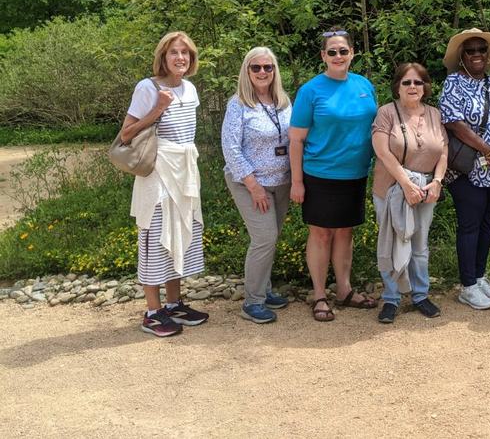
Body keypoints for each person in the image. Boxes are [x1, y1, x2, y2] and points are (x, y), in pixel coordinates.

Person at [120, 31, 209, 337]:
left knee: (181, 233)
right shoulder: (147, 87)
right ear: (163, 56)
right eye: (174, 52)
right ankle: (152, 312)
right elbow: (127, 135)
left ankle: (173, 304)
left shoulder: (190, 89)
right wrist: (157, 108)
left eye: (185, 52)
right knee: (156, 237)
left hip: (184, 172)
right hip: (158, 174)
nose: (180, 57)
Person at [289, 28, 378, 322]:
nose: (338, 56)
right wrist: (297, 182)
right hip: (320, 174)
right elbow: (296, 140)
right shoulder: (311, 90)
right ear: (323, 56)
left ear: (352, 53)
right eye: (332, 52)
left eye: (343, 51)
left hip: (355, 174)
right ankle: (319, 294)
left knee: (345, 232)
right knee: (321, 234)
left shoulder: (364, 85)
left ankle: (344, 289)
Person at [439, 28, 490, 310]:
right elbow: (454, 123)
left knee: (486, 223)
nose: (477, 55)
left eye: (482, 49)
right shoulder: (453, 83)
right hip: (469, 168)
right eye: (470, 51)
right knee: (469, 225)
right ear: (462, 57)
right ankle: (467, 285)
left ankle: (479, 275)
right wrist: (489, 151)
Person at [371, 63, 448, 323]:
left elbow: (443, 150)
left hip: (426, 189)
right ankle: (391, 299)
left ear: (425, 86)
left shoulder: (435, 115)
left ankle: (420, 295)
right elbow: (382, 152)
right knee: (391, 242)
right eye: (407, 82)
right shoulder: (386, 113)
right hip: (391, 188)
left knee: (420, 245)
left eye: (418, 82)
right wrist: (406, 184)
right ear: (398, 86)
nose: (412, 87)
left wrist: (437, 181)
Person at [221, 47, 292, 324]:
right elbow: (230, 148)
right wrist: (253, 185)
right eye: (256, 68)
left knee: (271, 238)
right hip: (250, 182)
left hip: (281, 181)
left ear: (275, 71)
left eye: (268, 67)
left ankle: (265, 288)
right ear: (246, 72)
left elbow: (293, 139)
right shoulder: (237, 104)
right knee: (264, 238)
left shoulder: (284, 102)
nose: (263, 72)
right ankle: (253, 301)